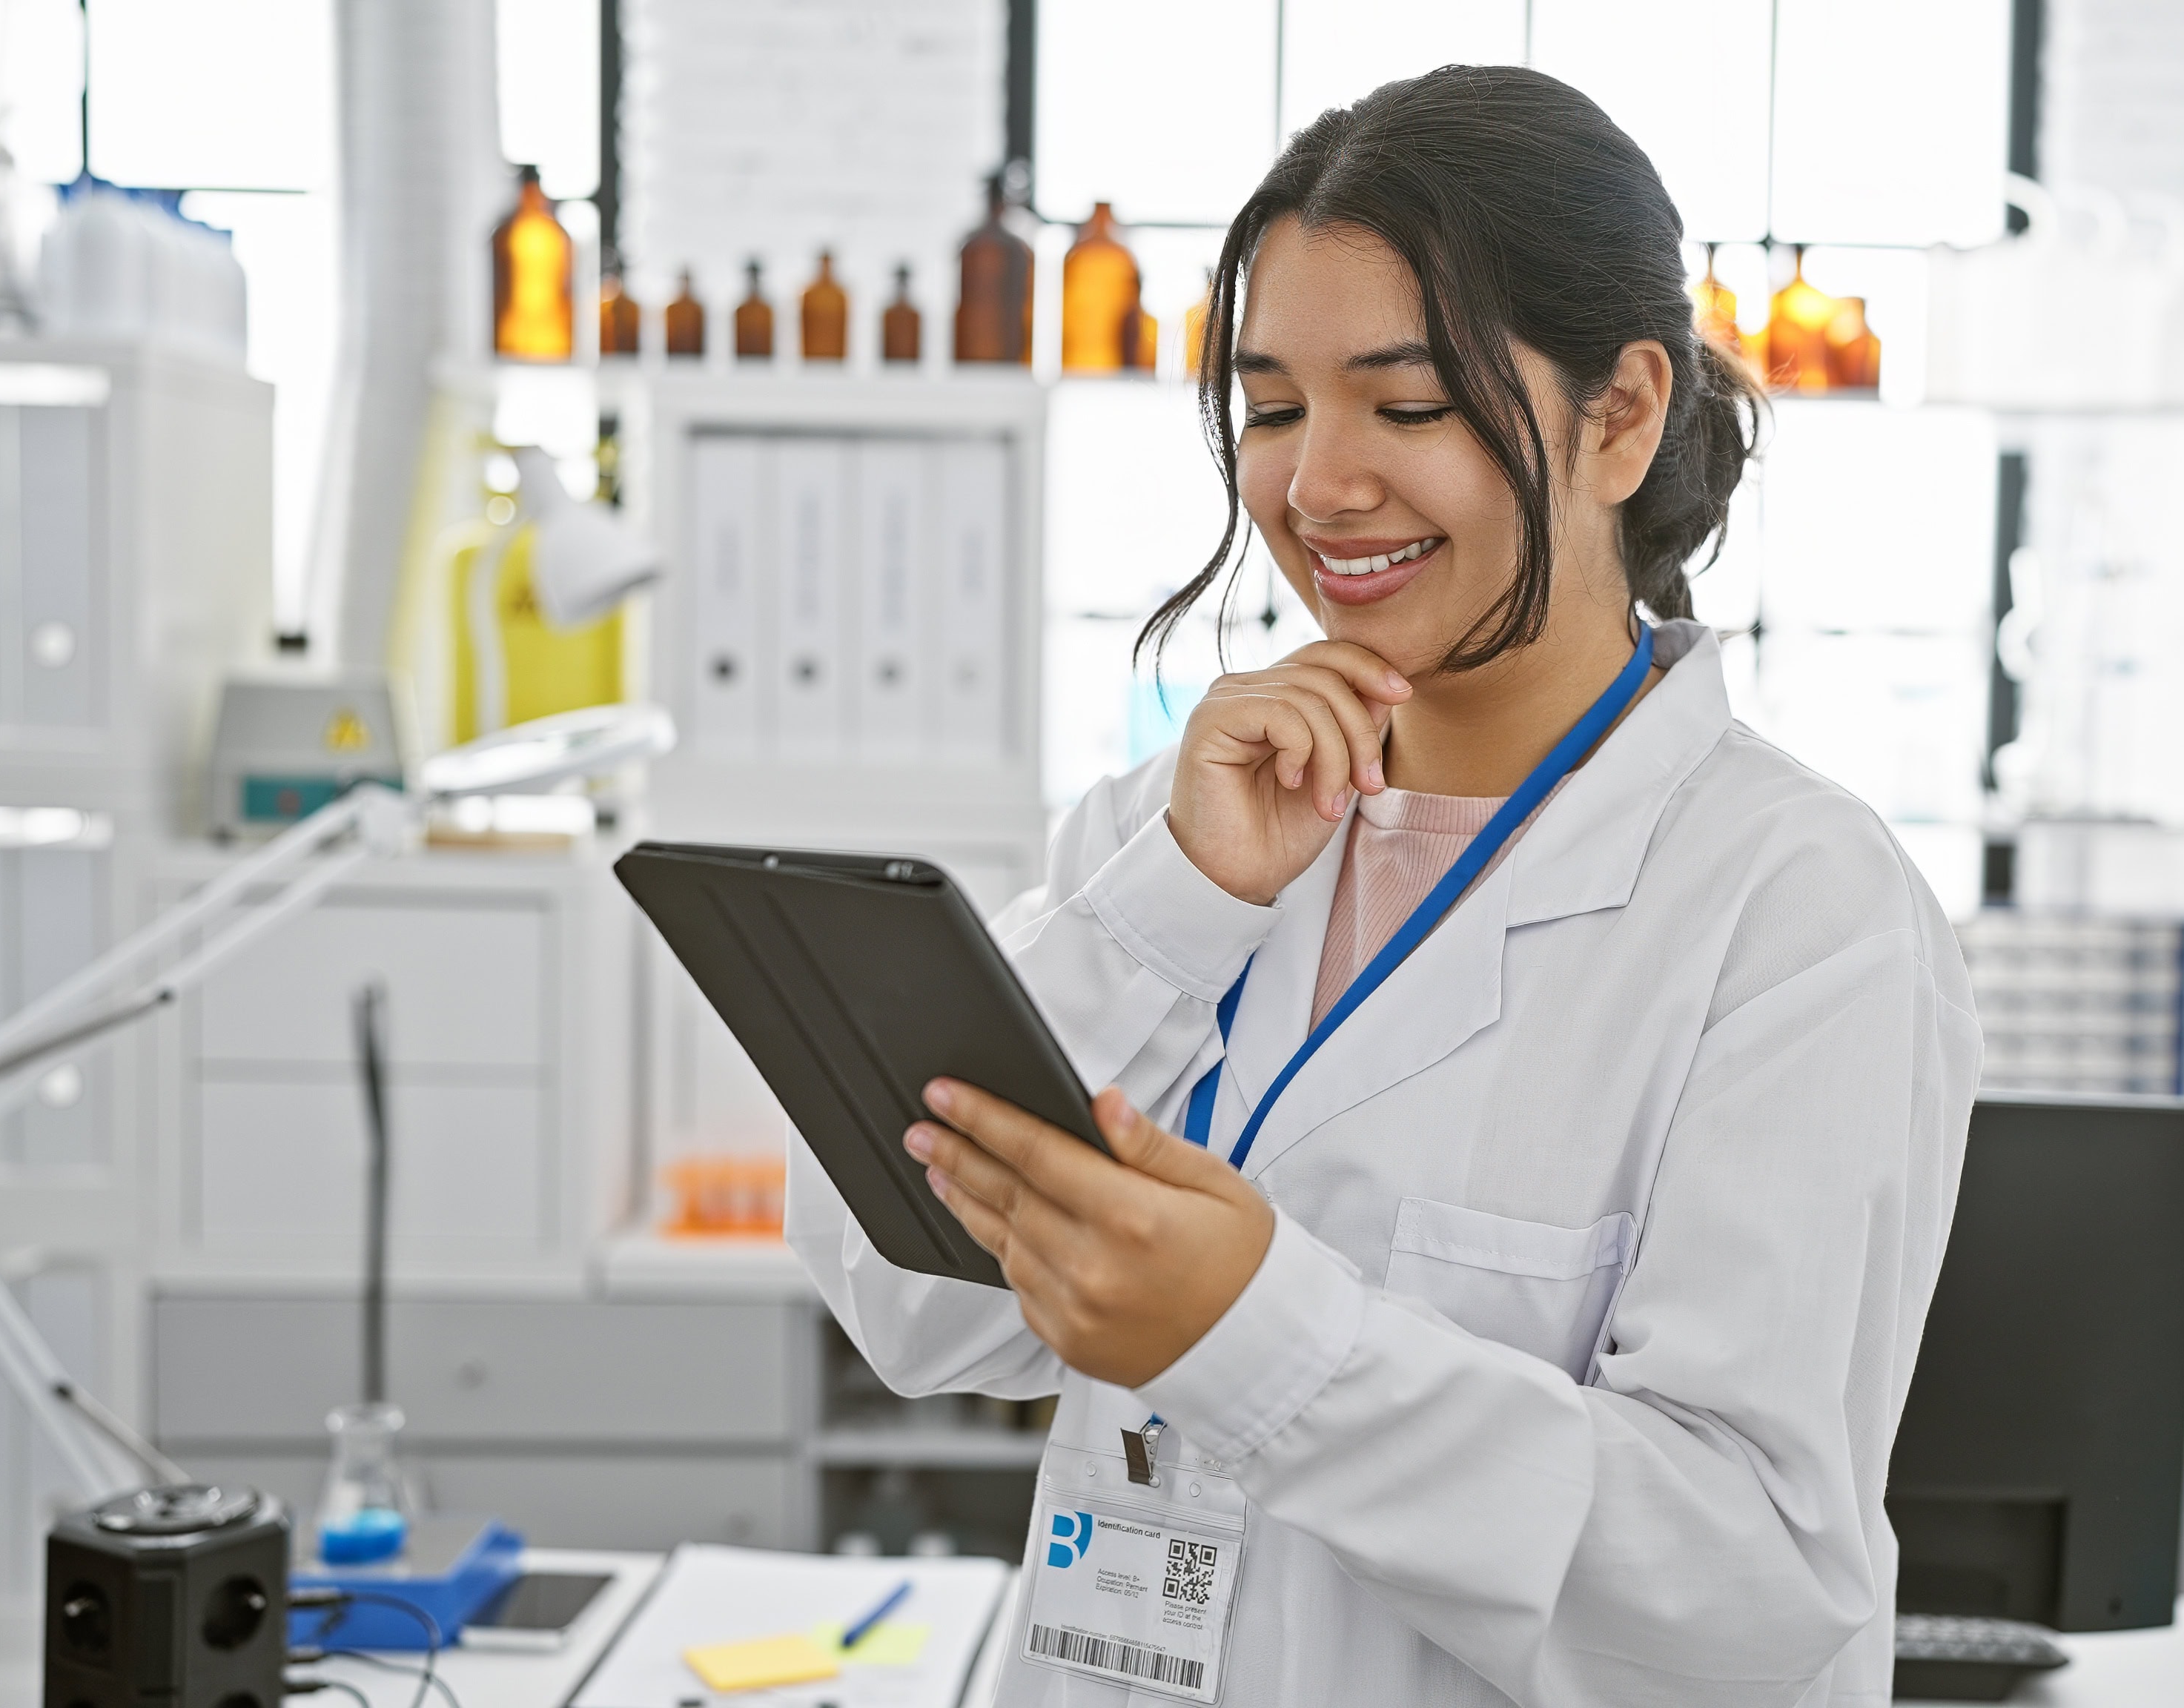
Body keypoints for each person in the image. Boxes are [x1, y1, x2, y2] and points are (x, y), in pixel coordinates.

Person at [787, 64, 1979, 1707]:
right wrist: (1174, 907)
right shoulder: (1171, 825)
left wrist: (1255, 1337)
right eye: (1270, 409)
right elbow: (912, 1314)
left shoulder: (1792, 907)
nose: (1313, 486)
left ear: (1620, 414)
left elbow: (1750, 1577)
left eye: (1404, 407)